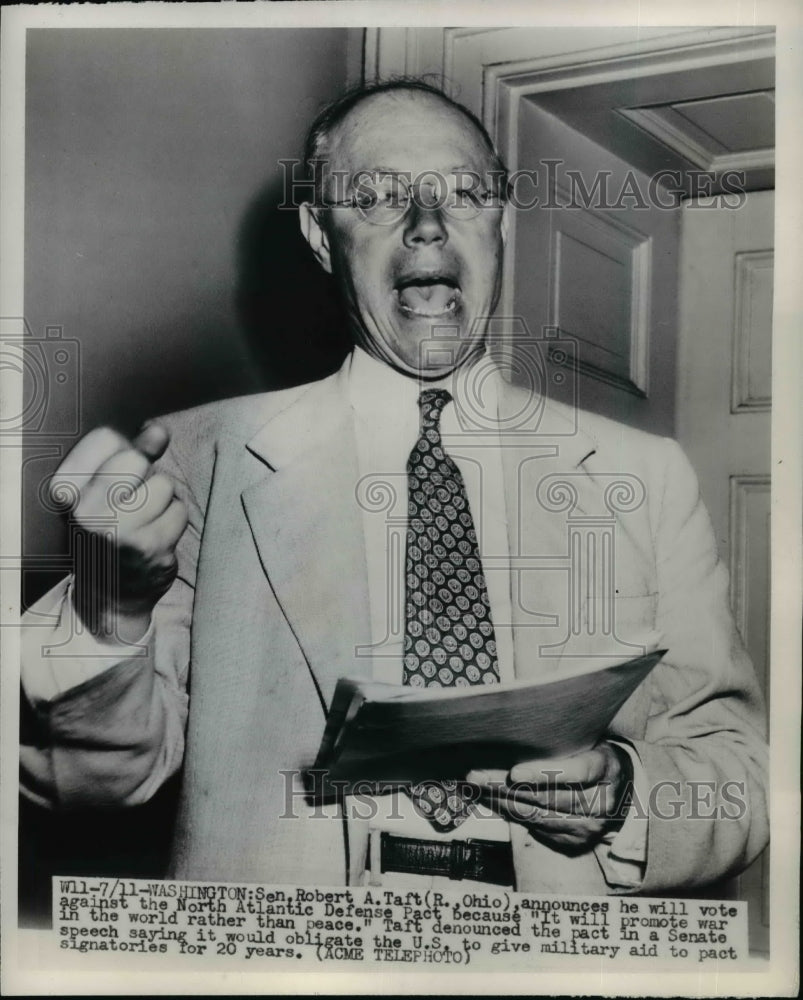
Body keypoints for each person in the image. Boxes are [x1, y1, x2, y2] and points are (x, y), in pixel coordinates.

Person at [20, 79, 768, 895]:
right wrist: (109, 606)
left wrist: (626, 796)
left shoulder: (642, 476)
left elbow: (738, 776)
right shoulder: (199, 460)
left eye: (465, 193)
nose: (426, 223)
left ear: (500, 222)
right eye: (375, 197)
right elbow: (87, 783)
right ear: (319, 234)